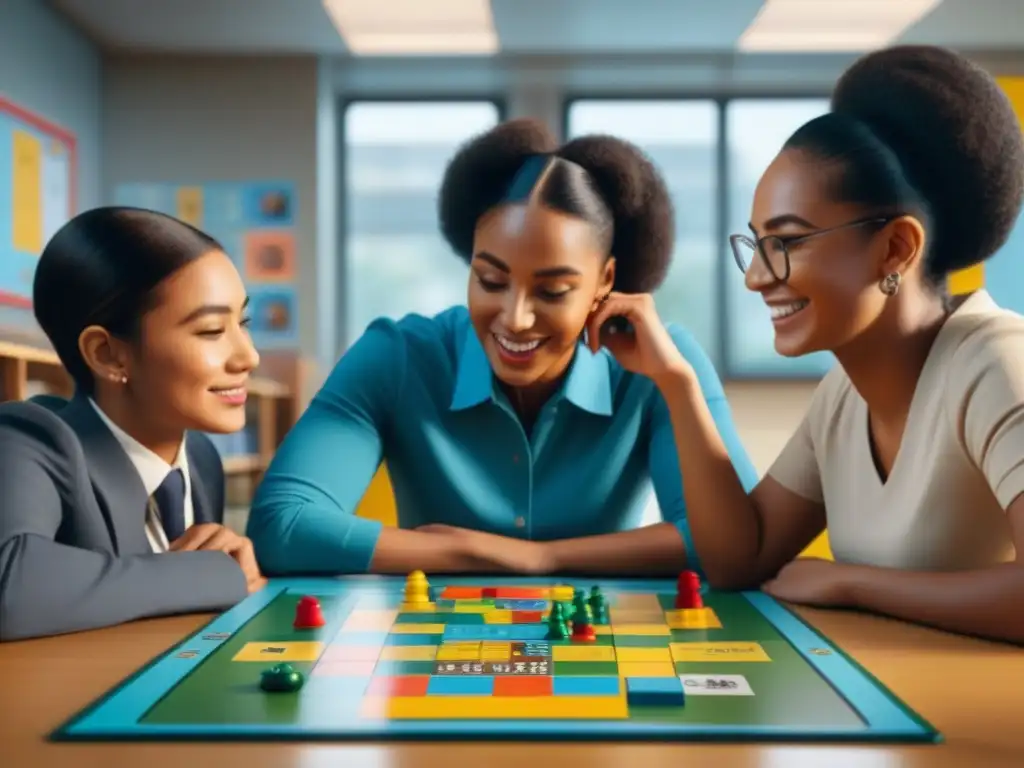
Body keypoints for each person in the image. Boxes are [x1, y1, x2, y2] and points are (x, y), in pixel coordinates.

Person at [248, 119, 757, 576]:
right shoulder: (397, 355)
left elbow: (734, 548)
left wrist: (543, 557)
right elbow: (281, 525)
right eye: (491, 280)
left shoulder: (665, 361)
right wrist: (475, 554)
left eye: (552, 291)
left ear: (605, 280)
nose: (515, 317)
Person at [667, 46, 1024, 644]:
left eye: (789, 242)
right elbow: (740, 559)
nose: (756, 276)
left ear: (894, 250)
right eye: (755, 244)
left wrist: (853, 583)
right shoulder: (843, 395)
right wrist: (675, 382)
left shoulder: (997, 363)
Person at [0, 207, 265, 642]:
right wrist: (209, 574)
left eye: (243, 323)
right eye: (212, 330)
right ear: (107, 354)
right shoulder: (29, 440)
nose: (248, 357)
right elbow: (11, 586)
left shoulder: (199, 459)